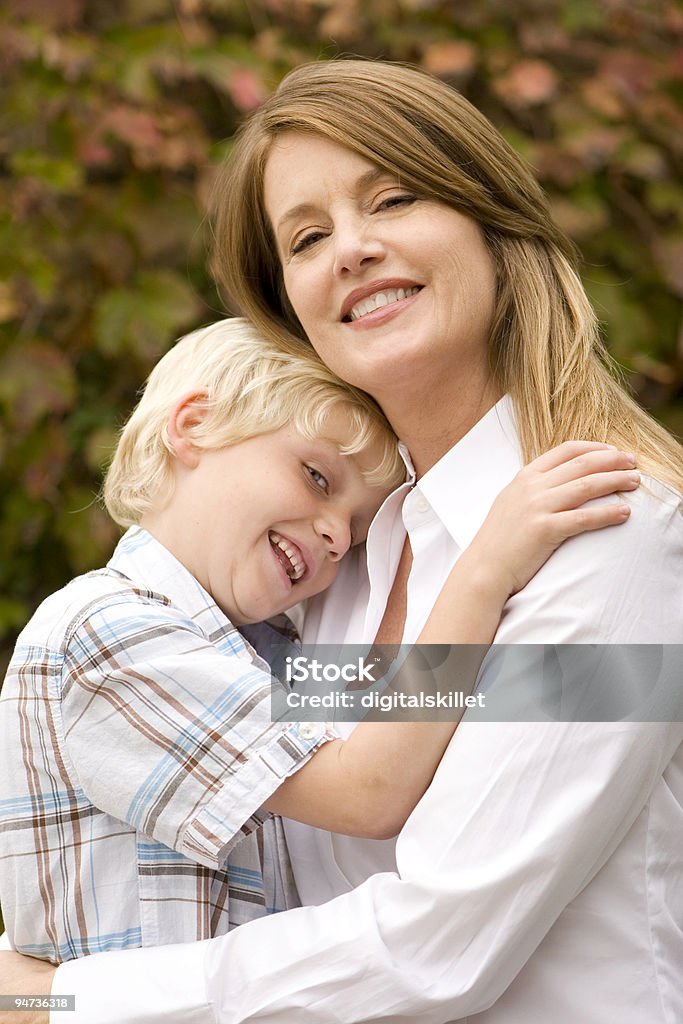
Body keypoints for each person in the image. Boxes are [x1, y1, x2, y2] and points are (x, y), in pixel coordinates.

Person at [2, 58, 682, 1024]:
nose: (351, 251)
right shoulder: (327, 580)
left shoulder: (611, 533)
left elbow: (439, 946)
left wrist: (62, 998)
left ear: (491, 223)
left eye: (394, 198)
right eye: (308, 237)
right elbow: (353, 774)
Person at [0, 315, 633, 970]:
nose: (336, 536)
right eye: (318, 478)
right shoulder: (108, 633)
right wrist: (484, 569)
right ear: (191, 427)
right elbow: (367, 789)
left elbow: (414, 705)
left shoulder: (254, 648)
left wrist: (632, 691)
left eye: (357, 534)